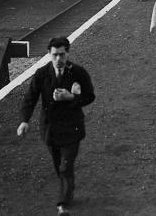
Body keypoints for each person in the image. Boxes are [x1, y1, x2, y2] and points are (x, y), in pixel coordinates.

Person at [17, 36, 95, 215]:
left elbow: (90, 96)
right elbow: (30, 98)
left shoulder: (78, 73)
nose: (58, 59)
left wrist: (71, 97)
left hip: (71, 128)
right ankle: (68, 188)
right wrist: (24, 120)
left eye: (62, 54)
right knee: (59, 165)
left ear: (68, 53)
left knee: (65, 166)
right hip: (50, 129)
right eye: (55, 55)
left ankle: (62, 205)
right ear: (49, 54)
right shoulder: (42, 74)